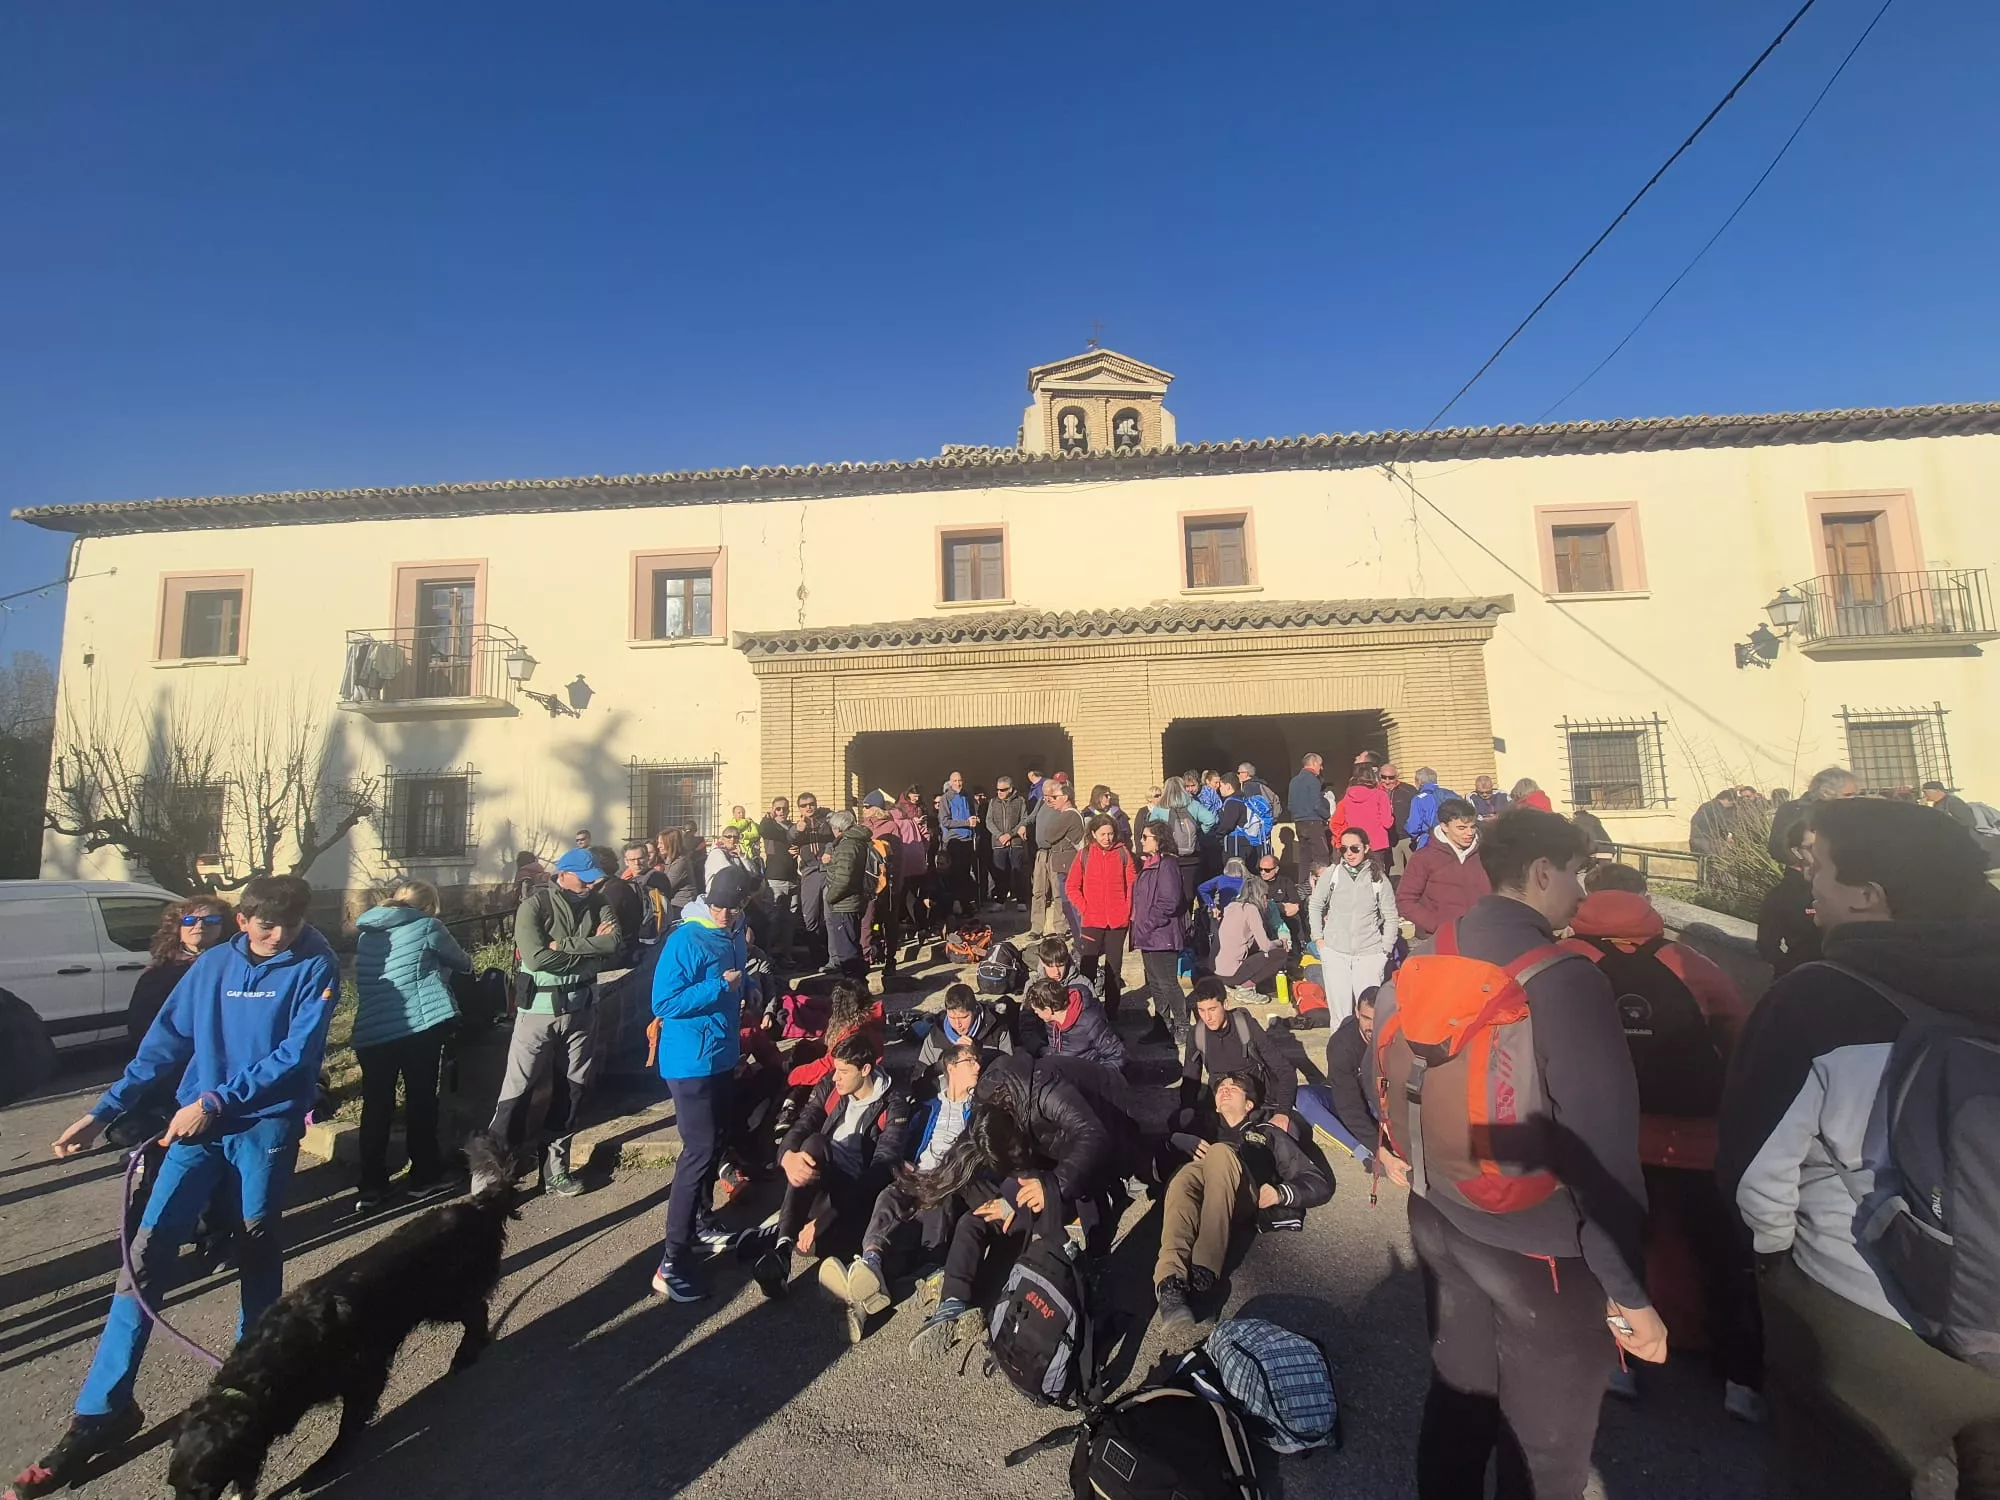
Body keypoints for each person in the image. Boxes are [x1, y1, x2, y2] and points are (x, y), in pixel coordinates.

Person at [1373, 808, 1663, 1500]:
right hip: (1541, 1252)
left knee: (1458, 1396)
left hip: (1440, 1216)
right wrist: (1630, 1293)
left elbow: (1381, 1066)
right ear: (1540, 873)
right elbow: (1602, 1153)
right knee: (1547, 1450)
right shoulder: (1567, 979)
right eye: (1577, 874)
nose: (1582, 893)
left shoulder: (1427, 953)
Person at [15, 877, 337, 1497]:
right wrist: (105, 1112)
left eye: (291, 924)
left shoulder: (314, 964)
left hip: (261, 1124)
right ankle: (103, 1409)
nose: (280, 936)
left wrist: (216, 1100)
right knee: (144, 1258)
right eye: (268, 925)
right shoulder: (212, 966)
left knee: (255, 1245)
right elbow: (164, 1043)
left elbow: (297, 1056)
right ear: (242, 920)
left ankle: (250, 1381)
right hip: (197, 1125)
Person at [1719, 799, 2000, 1496]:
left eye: (1821, 868)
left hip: (1873, 1319)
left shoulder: (1816, 998)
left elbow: (1758, 1182)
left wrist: (1776, 1268)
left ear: (1871, 896)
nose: (1808, 882)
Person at [1565, 862, 1761, 1418]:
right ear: (1646, 899)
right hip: (1697, 1137)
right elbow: (1738, 1030)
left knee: (1620, 1253)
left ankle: (1619, 1365)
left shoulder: (1569, 961)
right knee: (1718, 1254)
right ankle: (1740, 1377)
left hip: (1611, 1138)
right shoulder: (1688, 961)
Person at [904, 1056, 1110, 1361]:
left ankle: (969, 1295)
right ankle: (953, 1303)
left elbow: (1074, 1163)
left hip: (1053, 1190)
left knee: (1002, 1239)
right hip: (1021, 1189)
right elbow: (995, 1163)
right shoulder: (998, 1110)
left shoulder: (1055, 1116)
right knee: (972, 1222)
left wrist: (1013, 1201)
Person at [649, 865, 757, 1303]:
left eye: (732, 908)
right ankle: (671, 1259)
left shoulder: (735, 930)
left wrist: (749, 991)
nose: (724, 914)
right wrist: (718, 986)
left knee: (716, 1143)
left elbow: (739, 975)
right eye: (718, 906)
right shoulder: (686, 938)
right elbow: (664, 1001)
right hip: (688, 1060)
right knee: (697, 1150)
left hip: (721, 1053)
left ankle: (701, 1221)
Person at [489, 847, 624, 1198]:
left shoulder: (599, 901)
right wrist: (587, 950)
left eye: (595, 880)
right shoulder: (534, 906)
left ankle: (555, 1169)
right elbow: (536, 958)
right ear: (562, 874)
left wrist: (563, 945)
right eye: (584, 879)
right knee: (516, 1092)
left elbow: (614, 944)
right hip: (538, 1010)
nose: (591, 886)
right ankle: (493, 1175)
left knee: (573, 1090)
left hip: (582, 1009)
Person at [1154, 1071, 1333, 1332]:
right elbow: (1154, 1172)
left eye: (1234, 1088)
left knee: (1218, 1152)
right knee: (1184, 1176)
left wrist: (1281, 1192)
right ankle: (1170, 1284)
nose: (1224, 1089)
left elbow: (1318, 1182)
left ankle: (1204, 1274)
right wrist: (1173, 1141)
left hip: (1244, 1194)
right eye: (1220, 1088)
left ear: (1249, 1104)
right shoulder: (1201, 1130)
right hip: (1199, 1193)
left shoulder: (1266, 1133)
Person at [738, 1032, 911, 1301]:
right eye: (834, 1070)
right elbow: (802, 1124)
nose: (835, 1077)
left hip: (855, 1193)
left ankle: (782, 1233)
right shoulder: (830, 1088)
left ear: (865, 1069)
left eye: (843, 1071)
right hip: (819, 1178)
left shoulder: (893, 1101)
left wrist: (826, 1217)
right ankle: (784, 1246)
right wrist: (787, 1157)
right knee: (813, 1144)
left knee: (820, 1246)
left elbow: (883, 1166)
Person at [833, 1040, 988, 1340]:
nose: (978, 1067)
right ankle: (871, 1260)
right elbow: (907, 1141)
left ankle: (862, 1299)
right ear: (951, 1067)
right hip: (917, 1175)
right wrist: (903, 1164)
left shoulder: (980, 1110)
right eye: (971, 1061)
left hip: (948, 1182)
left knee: (929, 1214)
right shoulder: (930, 1106)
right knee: (889, 1196)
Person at [351, 881, 471, 1212]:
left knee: (376, 1107)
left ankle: (371, 1186)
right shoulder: (428, 925)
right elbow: (462, 962)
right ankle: (424, 1176)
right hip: (418, 1025)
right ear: (429, 905)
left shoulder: (368, 932)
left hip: (372, 1030)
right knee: (420, 1101)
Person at [1179, 977, 1296, 1135]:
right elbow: (1190, 1078)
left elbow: (1284, 1070)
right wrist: (1186, 1108)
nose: (1207, 1018)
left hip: (1254, 1102)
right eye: (1201, 1011)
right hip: (1221, 1102)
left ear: (1225, 1004)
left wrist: (1283, 1112)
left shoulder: (1246, 1026)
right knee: (1177, 1124)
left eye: (1212, 1009)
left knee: (1290, 1132)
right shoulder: (1197, 1033)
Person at [1308, 828, 1400, 1023]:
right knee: (1339, 1015)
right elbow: (1315, 904)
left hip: (1369, 954)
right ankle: (1341, 1052)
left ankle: (1367, 1054)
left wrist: (1385, 950)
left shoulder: (1378, 879)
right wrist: (1318, 939)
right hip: (1335, 952)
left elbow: (1391, 916)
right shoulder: (1332, 874)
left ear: (1366, 848)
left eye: (1355, 848)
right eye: (1344, 849)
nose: (1349, 853)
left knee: (1368, 1015)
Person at [126, 895, 233, 1042]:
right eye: (189, 921)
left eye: (211, 920)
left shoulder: (235, 966)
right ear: (177, 928)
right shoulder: (159, 974)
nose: (200, 926)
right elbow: (141, 1023)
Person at [1292, 989, 1381, 1164]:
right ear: (1356, 1012)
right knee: (1303, 1097)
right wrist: (1376, 1148)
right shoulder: (1341, 1044)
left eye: (1377, 1020)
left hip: (1385, 1105)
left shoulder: (1398, 1036)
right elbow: (1348, 1105)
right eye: (1366, 1018)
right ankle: (1364, 1154)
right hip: (1350, 1101)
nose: (1371, 1027)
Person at [1067, 813, 1136, 1020]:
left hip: (1117, 922)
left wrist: (1127, 909)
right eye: (1103, 834)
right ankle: (1087, 1010)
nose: (1107, 838)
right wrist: (1084, 909)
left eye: (1111, 834)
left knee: (1114, 968)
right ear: (1094, 834)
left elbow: (1133, 885)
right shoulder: (1084, 855)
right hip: (1092, 921)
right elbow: (1072, 887)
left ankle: (1111, 1014)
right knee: (1087, 966)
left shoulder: (1123, 853)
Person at [1398, 797, 1490, 940]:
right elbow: (1405, 900)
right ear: (1444, 827)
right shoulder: (1424, 858)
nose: (1469, 833)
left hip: (1482, 936)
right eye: (1461, 828)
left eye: (1472, 827)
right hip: (1440, 939)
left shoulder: (1487, 854)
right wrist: (1436, 926)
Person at [1756, 811, 1822, 978]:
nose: (1820, 853)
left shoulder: (1850, 886)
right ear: (1797, 851)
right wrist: (1792, 969)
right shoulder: (1782, 895)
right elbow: (1767, 945)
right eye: (1812, 847)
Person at [1021, 970, 1127, 1073]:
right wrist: (1043, 1050)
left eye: (1036, 1010)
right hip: (1061, 1071)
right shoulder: (1050, 1021)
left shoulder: (1090, 1023)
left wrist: (1095, 1079)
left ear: (1048, 1010)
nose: (1035, 1013)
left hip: (1087, 1076)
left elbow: (1117, 1055)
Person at [1765, 765, 1858, 865]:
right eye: (1848, 795)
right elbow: (1777, 847)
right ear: (1827, 792)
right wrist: (1803, 865)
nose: (1854, 799)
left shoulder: (1852, 812)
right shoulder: (1792, 811)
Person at [1030, 777, 1084, 939]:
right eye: (1045, 795)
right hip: (1046, 855)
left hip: (1064, 861)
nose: (1048, 799)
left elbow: (1050, 834)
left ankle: (1068, 932)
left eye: (1051, 796)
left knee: (1064, 898)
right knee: (1039, 891)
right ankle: (1037, 928)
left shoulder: (1066, 814)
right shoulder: (1043, 805)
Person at [916, 984, 1014, 1072]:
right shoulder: (936, 1036)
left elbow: (1009, 1071)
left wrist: (976, 1056)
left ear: (975, 1011)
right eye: (952, 1017)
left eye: (963, 1017)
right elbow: (919, 1077)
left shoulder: (997, 1030)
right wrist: (951, 1058)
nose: (958, 1024)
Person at [1215, 875, 1288, 992]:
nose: (1266, 899)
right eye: (1265, 895)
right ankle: (1245, 988)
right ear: (1259, 896)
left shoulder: (1230, 907)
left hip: (1220, 970)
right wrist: (1280, 942)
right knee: (1280, 954)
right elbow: (1266, 946)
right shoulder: (1251, 910)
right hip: (1234, 972)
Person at [821, 810, 871, 977]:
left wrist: (830, 897)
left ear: (838, 827)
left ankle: (854, 989)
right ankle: (859, 985)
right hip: (855, 900)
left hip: (844, 903)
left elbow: (844, 878)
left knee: (847, 951)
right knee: (852, 945)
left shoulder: (847, 845)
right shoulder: (859, 841)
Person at [757, 796, 801, 960]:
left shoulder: (792, 827)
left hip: (792, 878)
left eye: (785, 808)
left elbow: (801, 840)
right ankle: (767, 955)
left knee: (790, 921)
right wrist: (767, 817)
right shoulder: (769, 826)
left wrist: (798, 847)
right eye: (778, 808)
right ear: (772, 810)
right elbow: (763, 830)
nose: (782, 811)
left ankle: (787, 955)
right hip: (775, 879)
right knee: (773, 919)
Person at [1333, 764, 1395, 875]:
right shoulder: (1381, 795)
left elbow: (1336, 823)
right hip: (1377, 843)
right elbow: (1387, 823)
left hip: (1355, 843)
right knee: (1377, 877)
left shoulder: (1346, 797)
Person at [938, 771, 979, 920]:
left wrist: (974, 820)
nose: (958, 783)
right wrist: (966, 823)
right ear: (950, 782)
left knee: (966, 875)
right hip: (955, 841)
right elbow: (945, 821)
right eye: (955, 781)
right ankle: (959, 906)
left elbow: (971, 814)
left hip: (968, 839)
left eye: (960, 780)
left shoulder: (967, 796)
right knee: (957, 876)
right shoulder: (945, 799)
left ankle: (966, 905)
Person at [986, 775, 1030, 908]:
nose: (999, 792)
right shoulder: (993, 802)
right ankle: (1000, 900)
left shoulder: (1020, 801)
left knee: (1018, 871)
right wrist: (1000, 835)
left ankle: (1021, 900)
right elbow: (989, 821)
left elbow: (1024, 819)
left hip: (1015, 842)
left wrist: (1010, 835)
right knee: (1000, 873)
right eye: (998, 790)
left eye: (1003, 790)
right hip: (999, 844)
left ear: (1010, 789)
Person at [1287, 753, 1330, 877]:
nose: (1321, 768)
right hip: (1313, 822)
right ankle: (1323, 884)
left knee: (1304, 857)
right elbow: (1316, 804)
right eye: (1320, 765)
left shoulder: (1294, 781)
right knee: (1321, 855)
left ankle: (1303, 886)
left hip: (1299, 823)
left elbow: (1290, 806)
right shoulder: (1313, 780)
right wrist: (1327, 815)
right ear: (1314, 763)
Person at [1403, 767, 1458, 851]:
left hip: (1430, 842)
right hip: (1454, 841)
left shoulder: (1419, 799)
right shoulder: (1451, 794)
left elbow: (1413, 827)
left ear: (1419, 782)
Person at [1689, 787, 1742, 859]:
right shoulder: (1718, 808)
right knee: (1718, 862)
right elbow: (1723, 824)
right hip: (1708, 841)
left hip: (1695, 841)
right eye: (1731, 803)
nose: (1731, 806)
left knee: (1703, 864)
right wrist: (1729, 836)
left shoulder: (1706, 805)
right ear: (1726, 800)